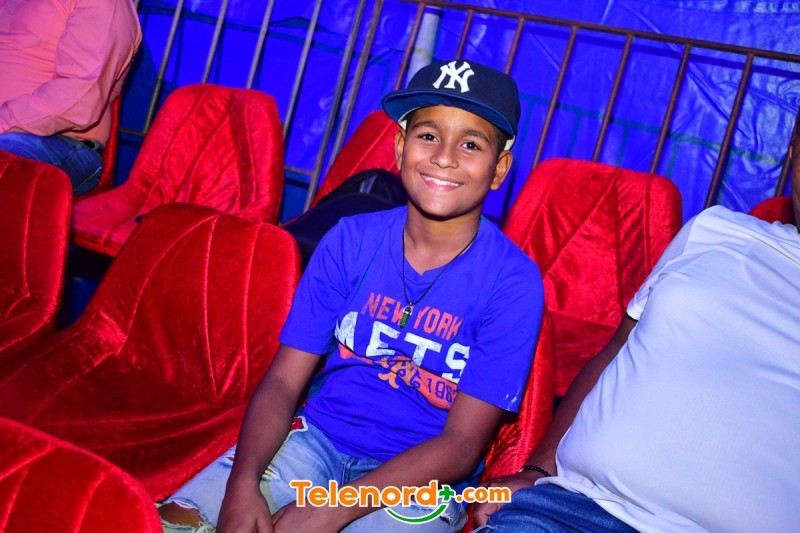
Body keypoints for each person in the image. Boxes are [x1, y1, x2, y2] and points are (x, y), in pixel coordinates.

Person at [158, 58, 545, 532]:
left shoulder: (513, 282)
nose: (444, 157)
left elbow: (462, 445)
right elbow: (283, 382)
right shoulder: (349, 240)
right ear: (400, 146)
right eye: (428, 135)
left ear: (499, 169)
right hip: (318, 440)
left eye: (470, 144)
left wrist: (333, 508)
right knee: (175, 524)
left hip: (424, 480)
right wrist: (243, 481)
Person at [471, 124, 800, 532]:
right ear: (792, 152)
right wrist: (536, 470)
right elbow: (616, 352)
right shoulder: (714, 230)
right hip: (570, 505)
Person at [0, 0, 141, 195]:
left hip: (57, 141)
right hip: (10, 132)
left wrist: (3, 121)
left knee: (6, 161)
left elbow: (78, 97)